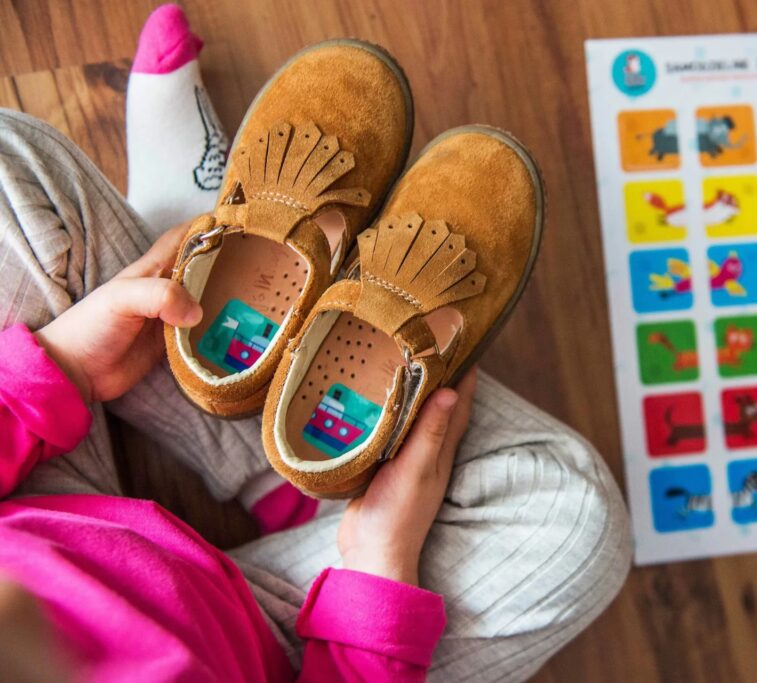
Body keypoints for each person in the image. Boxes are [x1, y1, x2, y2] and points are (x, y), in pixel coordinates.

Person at [0, 5, 631, 682]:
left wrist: (51, 373)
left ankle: (214, 316)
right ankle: (302, 470)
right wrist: (377, 570)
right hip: (271, 640)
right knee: (575, 524)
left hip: (42, 510)